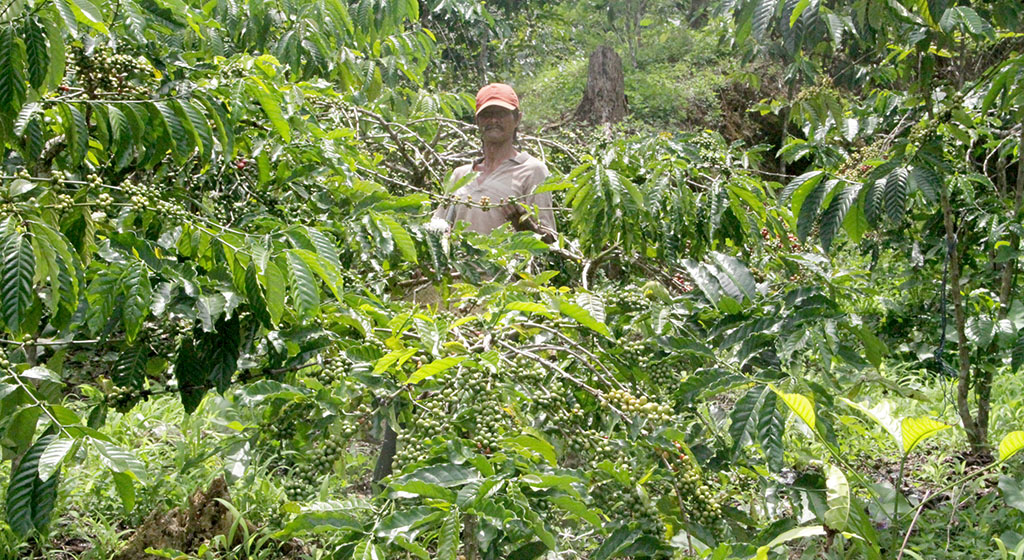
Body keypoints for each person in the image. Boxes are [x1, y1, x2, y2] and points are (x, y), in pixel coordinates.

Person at [432, 83, 557, 241]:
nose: (493, 120)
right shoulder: (461, 175)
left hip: (506, 265)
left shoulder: (533, 171)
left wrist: (524, 226)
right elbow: (437, 228)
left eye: (501, 114)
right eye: (486, 114)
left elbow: (550, 242)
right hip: (461, 266)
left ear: (517, 118)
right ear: (477, 121)